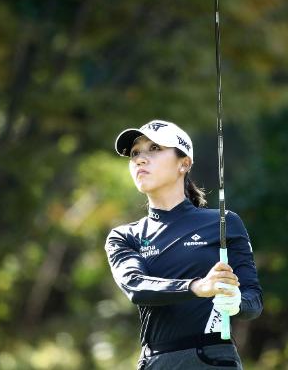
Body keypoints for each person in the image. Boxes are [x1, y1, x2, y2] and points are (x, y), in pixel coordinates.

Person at [105, 119, 263, 369]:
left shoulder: (223, 222)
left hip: (213, 359)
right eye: (135, 153)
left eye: (154, 149)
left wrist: (236, 302)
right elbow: (135, 286)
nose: (140, 159)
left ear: (184, 163)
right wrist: (197, 287)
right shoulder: (125, 236)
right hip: (156, 361)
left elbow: (253, 300)